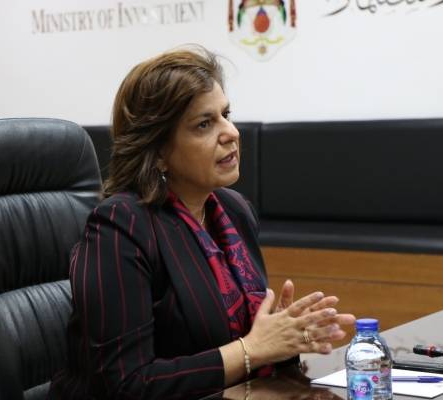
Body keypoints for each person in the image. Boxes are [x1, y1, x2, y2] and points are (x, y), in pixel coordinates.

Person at [49, 45, 355, 399]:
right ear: (158, 152)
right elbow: (128, 384)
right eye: (204, 124)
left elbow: (241, 342)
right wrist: (254, 349)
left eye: (226, 114)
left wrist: (285, 336)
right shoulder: (120, 227)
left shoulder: (233, 211)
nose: (231, 132)